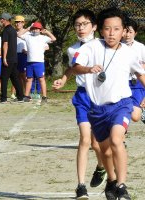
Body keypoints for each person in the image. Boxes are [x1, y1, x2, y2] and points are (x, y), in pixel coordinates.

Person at [71, 7, 145, 200]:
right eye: (107, 28)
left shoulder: (129, 53)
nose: (112, 33)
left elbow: (140, 74)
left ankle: (121, 186)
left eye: (117, 29)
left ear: (123, 31)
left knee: (116, 140)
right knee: (104, 150)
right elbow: (75, 67)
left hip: (121, 104)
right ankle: (111, 181)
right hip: (97, 109)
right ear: (101, 30)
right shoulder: (91, 47)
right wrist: (88, 69)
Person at [53, 9, 106, 199]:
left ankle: (101, 167)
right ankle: (81, 186)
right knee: (85, 140)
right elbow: (72, 68)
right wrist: (63, 79)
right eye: (77, 24)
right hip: (83, 97)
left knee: (97, 143)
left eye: (84, 24)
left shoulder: (103, 46)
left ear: (94, 26)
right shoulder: (72, 49)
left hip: (101, 97)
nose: (81, 28)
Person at [18, 21, 56, 103]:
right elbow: (19, 34)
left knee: (41, 79)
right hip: (29, 62)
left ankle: (44, 96)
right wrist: (28, 28)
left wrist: (47, 32)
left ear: (40, 30)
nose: (35, 30)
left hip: (39, 62)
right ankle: (27, 96)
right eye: (34, 29)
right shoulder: (28, 36)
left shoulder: (43, 37)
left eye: (37, 29)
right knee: (29, 79)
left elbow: (54, 39)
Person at [122, 17, 145, 124]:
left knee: (135, 117)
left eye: (130, 32)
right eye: (125, 31)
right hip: (121, 84)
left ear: (135, 33)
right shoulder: (117, 46)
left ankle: (142, 110)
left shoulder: (141, 48)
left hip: (137, 84)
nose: (127, 35)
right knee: (121, 113)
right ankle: (121, 136)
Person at [0, 12, 24, 103]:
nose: (0, 20)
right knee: (14, 77)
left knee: (4, 77)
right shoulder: (13, 30)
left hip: (8, 58)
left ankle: (3, 98)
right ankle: (20, 96)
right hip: (14, 57)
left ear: (4, 20)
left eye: (1, 19)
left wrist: (4, 57)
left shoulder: (6, 30)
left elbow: (5, 44)